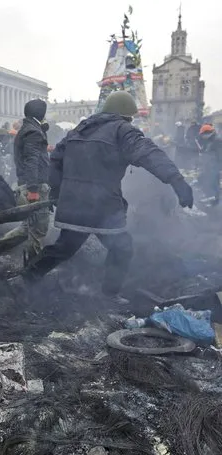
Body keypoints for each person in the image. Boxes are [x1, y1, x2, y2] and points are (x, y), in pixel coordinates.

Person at [21, 91, 193, 303]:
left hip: (74, 204)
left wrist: (57, 191)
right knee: (122, 247)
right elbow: (149, 153)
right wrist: (176, 180)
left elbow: (56, 159)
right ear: (126, 115)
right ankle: (110, 294)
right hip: (102, 206)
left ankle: (29, 276)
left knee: (64, 247)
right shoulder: (122, 130)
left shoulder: (79, 129)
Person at [0, 99, 51, 269]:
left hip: (28, 184)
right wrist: (34, 189)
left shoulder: (28, 129)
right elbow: (32, 160)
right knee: (38, 229)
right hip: (35, 186)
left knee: (28, 227)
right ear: (41, 113)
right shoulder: (34, 132)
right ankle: (33, 269)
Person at [197, 124, 222, 205]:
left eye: (203, 135)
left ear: (208, 133)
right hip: (210, 165)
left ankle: (214, 201)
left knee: (214, 183)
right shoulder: (210, 140)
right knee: (207, 180)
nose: (202, 137)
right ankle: (210, 196)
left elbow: (219, 155)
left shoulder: (217, 141)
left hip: (215, 166)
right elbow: (208, 151)